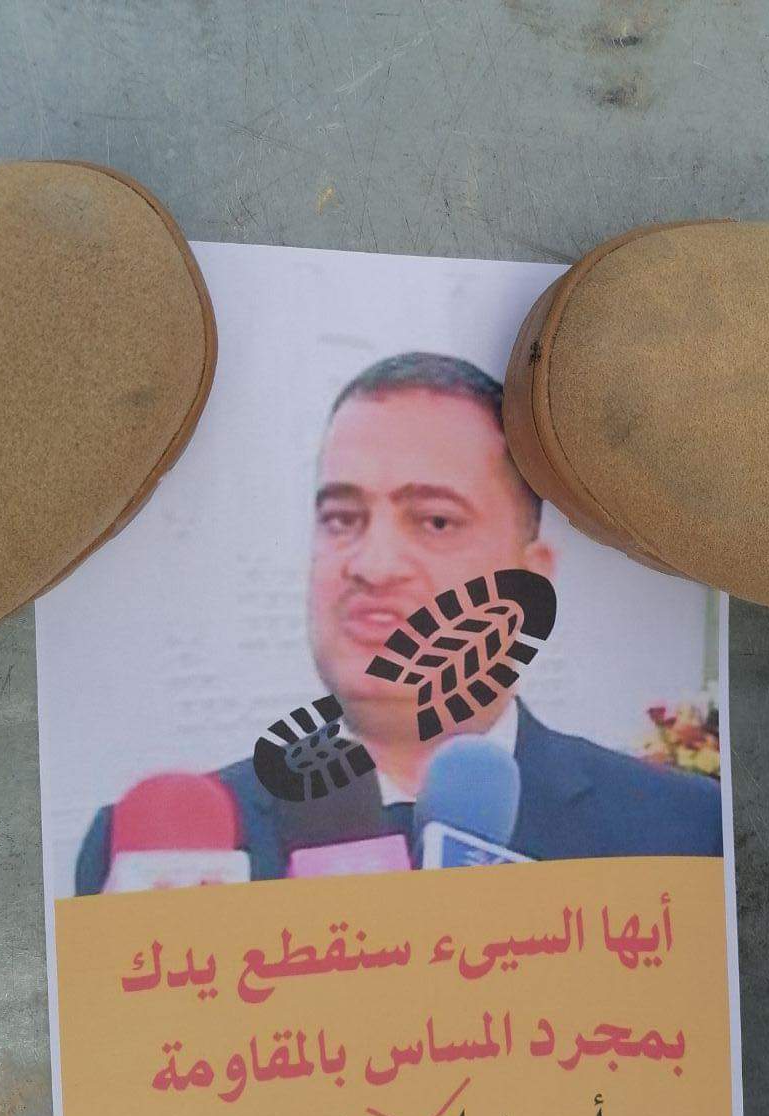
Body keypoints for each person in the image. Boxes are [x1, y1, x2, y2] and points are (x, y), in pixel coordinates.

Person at [76, 353, 721, 891]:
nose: (373, 565)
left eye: (435, 521)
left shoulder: (687, 834)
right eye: (342, 519)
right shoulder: (155, 859)